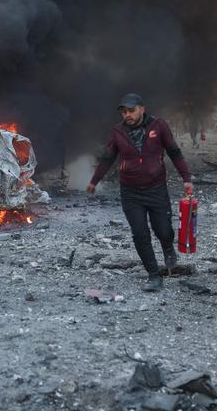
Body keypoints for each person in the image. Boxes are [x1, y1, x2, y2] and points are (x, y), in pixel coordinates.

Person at [86, 93, 194, 292]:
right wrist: (94, 181)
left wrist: (186, 178)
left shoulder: (159, 126)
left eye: (131, 110)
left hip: (156, 189)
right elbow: (108, 158)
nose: (127, 115)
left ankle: (168, 247)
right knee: (140, 234)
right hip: (130, 192)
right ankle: (154, 275)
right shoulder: (118, 131)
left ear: (142, 109)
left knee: (163, 230)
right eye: (124, 112)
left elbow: (174, 152)